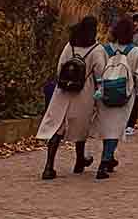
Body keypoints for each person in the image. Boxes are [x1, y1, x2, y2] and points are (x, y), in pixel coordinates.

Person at [36, 16, 101, 180]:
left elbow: (59, 68)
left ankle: (49, 166)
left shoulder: (70, 45)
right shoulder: (96, 49)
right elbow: (100, 74)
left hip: (63, 91)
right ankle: (79, 160)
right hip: (83, 93)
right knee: (80, 128)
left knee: (57, 127)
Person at [90, 17, 138, 180]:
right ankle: (105, 160)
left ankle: (108, 157)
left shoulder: (103, 49)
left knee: (107, 127)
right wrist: (133, 90)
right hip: (124, 96)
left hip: (105, 94)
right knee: (116, 128)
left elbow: (97, 71)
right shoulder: (135, 51)